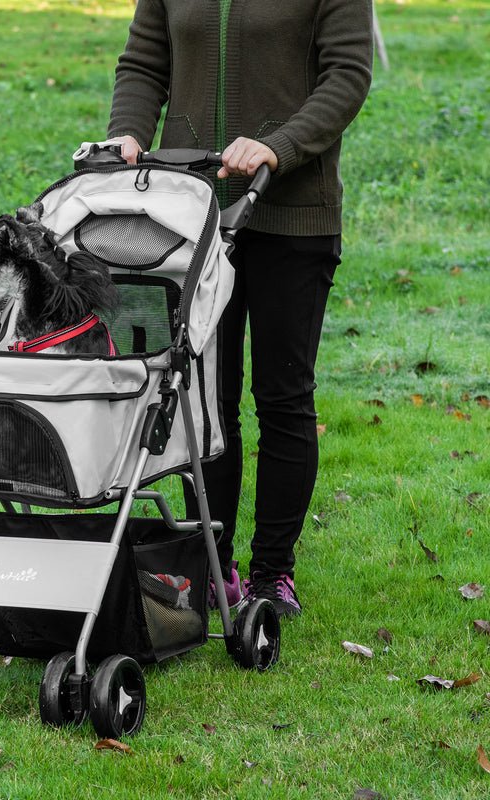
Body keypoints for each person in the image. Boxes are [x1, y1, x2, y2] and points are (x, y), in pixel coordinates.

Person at [106, 0, 374, 617]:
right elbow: (145, 63)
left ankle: (271, 574)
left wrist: (278, 147)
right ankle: (210, 562)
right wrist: (130, 131)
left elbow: (347, 76)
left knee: (282, 397)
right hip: (190, 216)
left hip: (291, 216)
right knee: (205, 401)